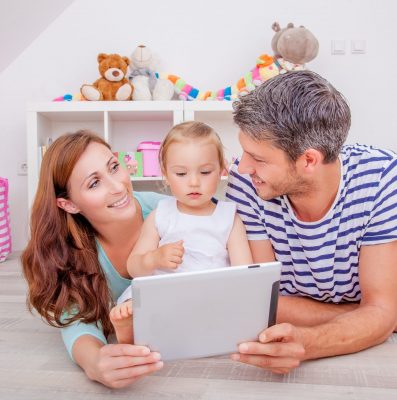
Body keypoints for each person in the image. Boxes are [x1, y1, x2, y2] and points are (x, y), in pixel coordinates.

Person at [226, 70, 397, 374]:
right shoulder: (248, 185)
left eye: (259, 158)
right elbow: (263, 302)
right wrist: (367, 316)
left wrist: (310, 340)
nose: (242, 167)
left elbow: (383, 313)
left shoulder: (382, 178)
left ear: (308, 161)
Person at [21, 130, 167, 388]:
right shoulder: (72, 253)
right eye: (94, 183)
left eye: (114, 167)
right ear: (69, 205)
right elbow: (77, 322)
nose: (118, 186)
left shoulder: (165, 212)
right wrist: (95, 362)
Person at [110, 121, 253, 344]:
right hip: (165, 292)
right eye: (181, 173)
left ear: (221, 171)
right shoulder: (161, 214)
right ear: (166, 175)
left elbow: (245, 273)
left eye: (205, 172)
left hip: (208, 296)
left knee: (231, 307)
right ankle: (129, 332)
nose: (194, 182)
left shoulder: (229, 217)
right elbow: (133, 267)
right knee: (139, 298)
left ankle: (177, 331)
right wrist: (154, 258)